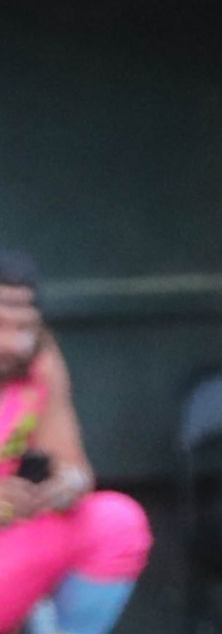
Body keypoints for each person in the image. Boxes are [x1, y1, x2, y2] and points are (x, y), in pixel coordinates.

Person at [0, 250, 153, 634]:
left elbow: (74, 466)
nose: (14, 344)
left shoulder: (37, 361)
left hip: (12, 543)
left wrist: (64, 485)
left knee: (115, 522)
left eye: (24, 328)